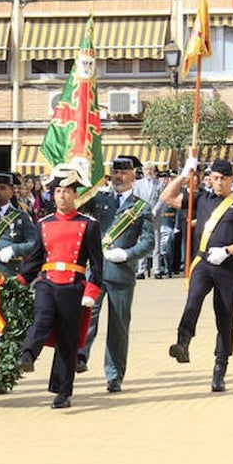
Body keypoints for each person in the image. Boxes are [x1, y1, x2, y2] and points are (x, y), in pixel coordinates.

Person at [162, 157, 233, 393]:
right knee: (193, 301)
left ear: (231, 179)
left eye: (222, 179)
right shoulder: (202, 199)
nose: (218, 183)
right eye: (214, 178)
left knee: (225, 318)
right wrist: (184, 175)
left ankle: (220, 368)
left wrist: (228, 250)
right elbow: (168, 197)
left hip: (226, 266)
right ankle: (183, 343)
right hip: (203, 262)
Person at [17, 164, 104, 409]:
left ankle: (62, 390)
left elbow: (97, 264)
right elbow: (35, 258)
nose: (62, 196)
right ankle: (28, 354)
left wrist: (92, 291)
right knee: (42, 317)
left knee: (67, 339)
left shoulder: (89, 225)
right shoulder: (43, 223)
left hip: (74, 285)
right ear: (52, 194)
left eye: (67, 191)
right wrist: (20, 281)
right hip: (48, 280)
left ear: (75, 194)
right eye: (57, 191)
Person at [79, 156, 153, 393]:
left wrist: (128, 254)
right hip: (96, 272)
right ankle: (81, 355)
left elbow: (148, 242)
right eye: (115, 172)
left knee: (118, 326)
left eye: (124, 172)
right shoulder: (99, 199)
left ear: (133, 175)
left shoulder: (141, 207)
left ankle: (114, 374)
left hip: (121, 273)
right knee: (87, 316)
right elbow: (78, 202)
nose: (119, 176)